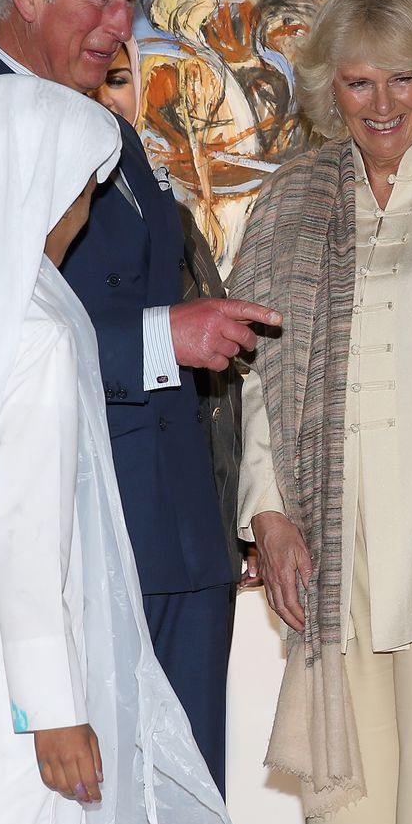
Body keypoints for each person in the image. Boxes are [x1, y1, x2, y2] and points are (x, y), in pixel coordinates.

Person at [0, 0, 280, 798]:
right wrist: (160, 336)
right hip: (68, 547)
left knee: (186, 812)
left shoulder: (105, 124)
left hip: (177, 533)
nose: (122, 24)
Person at [0, 75, 248, 824]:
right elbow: (27, 538)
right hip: (11, 693)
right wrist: (53, 712)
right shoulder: (37, 330)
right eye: (82, 192)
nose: (83, 217)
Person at [229, 0, 412, 824]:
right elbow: (257, 372)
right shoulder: (290, 197)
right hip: (330, 568)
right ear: (330, 88)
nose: (383, 102)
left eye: (405, 77)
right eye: (359, 80)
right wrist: (268, 516)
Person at [90, 38, 250, 596]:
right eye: (93, 78)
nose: (105, 97)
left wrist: (238, 525)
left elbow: (220, 390)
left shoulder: (173, 218)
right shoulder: (43, 218)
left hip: (198, 533)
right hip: (105, 532)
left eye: (117, 79)